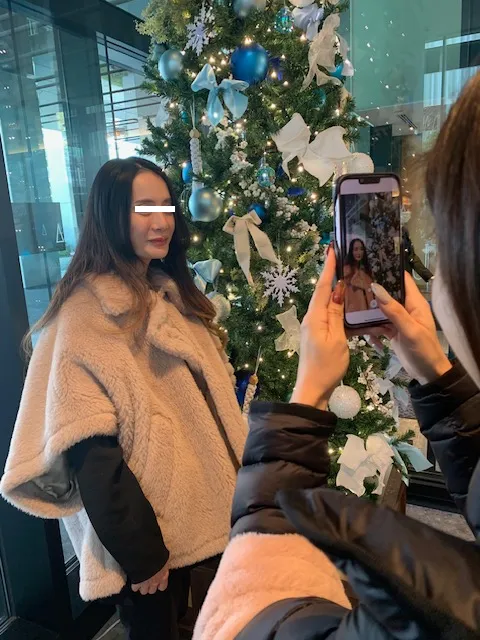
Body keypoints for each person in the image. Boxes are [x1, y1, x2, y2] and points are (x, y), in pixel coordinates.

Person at [193, 73, 480, 639]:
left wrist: (307, 395)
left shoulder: (431, 616)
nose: (435, 272)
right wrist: (438, 377)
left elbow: (245, 615)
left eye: (445, 242)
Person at [0, 158, 247, 640]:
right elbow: (94, 458)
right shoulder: (85, 318)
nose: (161, 222)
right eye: (144, 208)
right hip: (147, 534)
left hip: (194, 513)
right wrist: (143, 555)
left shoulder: (167, 294)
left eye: (166, 207)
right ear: (111, 215)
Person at [343, 238, 375, 312]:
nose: (359, 252)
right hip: (354, 311)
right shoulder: (347, 271)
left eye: (361, 249)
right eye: (356, 249)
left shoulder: (366, 269)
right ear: (351, 251)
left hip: (369, 311)